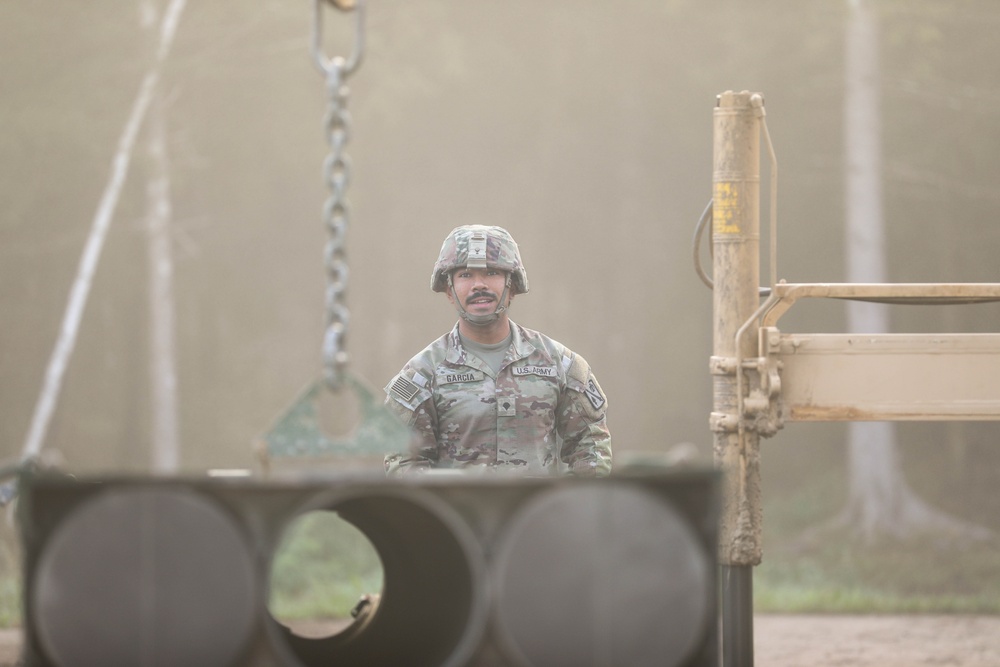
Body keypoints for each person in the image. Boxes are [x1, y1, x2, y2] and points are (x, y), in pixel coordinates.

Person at [383, 225, 612, 476]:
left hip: (539, 515)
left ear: (511, 286)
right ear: (449, 290)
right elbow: (403, 465)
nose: (479, 285)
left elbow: (591, 447)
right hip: (458, 514)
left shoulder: (559, 363)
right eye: (465, 275)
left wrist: (566, 509)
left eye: (491, 273)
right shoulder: (422, 374)